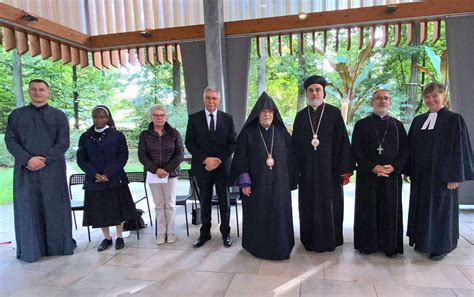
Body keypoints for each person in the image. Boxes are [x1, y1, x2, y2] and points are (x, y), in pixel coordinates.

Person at [5, 79, 76, 262]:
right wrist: (28, 159)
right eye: (34, 89)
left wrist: (44, 159)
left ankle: (58, 246)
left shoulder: (59, 116)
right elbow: (11, 141)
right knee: (29, 208)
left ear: (48, 93)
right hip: (26, 170)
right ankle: (31, 249)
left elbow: (63, 143)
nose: (38, 92)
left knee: (54, 208)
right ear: (29, 92)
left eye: (41, 89)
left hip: (52, 170)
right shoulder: (17, 115)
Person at [406, 82, 473, 261]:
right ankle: (422, 241)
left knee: (440, 211)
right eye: (427, 97)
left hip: (443, 177)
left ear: (444, 96)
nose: (431, 100)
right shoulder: (419, 120)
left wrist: (454, 175)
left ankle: (441, 246)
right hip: (421, 177)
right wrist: (408, 170)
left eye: (435, 96)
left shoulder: (454, 119)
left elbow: (459, 149)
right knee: (422, 208)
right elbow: (411, 148)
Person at [229, 92, 296, 260]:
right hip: (257, 185)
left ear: (274, 113)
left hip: (279, 185)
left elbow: (292, 158)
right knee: (258, 215)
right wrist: (244, 183)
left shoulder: (281, 132)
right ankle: (257, 247)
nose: (267, 114)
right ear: (257, 113)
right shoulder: (247, 133)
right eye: (264, 111)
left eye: (270, 111)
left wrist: (292, 180)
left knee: (279, 215)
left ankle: (282, 247)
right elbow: (241, 159)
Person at [292, 75, 354, 252]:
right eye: (310, 90)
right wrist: (296, 171)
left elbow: (342, 142)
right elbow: (295, 146)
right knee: (308, 206)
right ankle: (309, 241)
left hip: (330, 172)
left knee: (330, 206)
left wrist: (343, 169)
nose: (314, 93)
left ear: (323, 92)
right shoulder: (301, 117)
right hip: (307, 173)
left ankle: (331, 240)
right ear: (307, 93)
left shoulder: (334, 113)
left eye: (317, 89)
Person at [351, 90, 409, 258]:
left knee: (390, 211)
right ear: (372, 103)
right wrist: (372, 167)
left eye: (385, 98)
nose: (382, 101)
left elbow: (405, 150)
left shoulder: (397, 126)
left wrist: (394, 167)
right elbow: (356, 150)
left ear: (390, 102)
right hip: (368, 176)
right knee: (367, 210)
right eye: (378, 98)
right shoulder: (361, 125)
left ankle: (390, 246)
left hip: (391, 176)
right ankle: (367, 245)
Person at [76, 105, 136, 252]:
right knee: (100, 209)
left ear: (108, 118)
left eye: (102, 116)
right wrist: (94, 173)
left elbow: (122, 157)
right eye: (96, 116)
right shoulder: (85, 137)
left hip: (115, 178)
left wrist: (107, 174)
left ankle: (119, 236)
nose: (99, 119)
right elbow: (81, 159)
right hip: (94, 180)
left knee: (117, 208)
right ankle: (107, 237)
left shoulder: (117, 135)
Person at [185, 86, 237, 248]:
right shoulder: (194, 118)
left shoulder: (228, 119)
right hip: (203, 167)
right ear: (204, 99)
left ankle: (226, 233)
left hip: (222, 168)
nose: (211, 101)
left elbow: (232, 143)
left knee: (224, 202)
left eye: (214, 98)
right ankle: (204, 234)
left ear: (218, 100)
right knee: (205, 201)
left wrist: (218, 160)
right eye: (208, 98)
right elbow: (189, 142)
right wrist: (205, 159)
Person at [138, 105, 184, 245]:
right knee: (159, 205)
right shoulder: (145, 135)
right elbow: (142, 155)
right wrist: (155, 169)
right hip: (153, 175)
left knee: (169, 204)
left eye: (162, 115)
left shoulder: (174, 133)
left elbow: (180, 153)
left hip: (171, 174)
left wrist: (167, 169)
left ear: (166, 116)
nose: (159, 117)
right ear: (151, 117)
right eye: (156, 115)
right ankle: (161, 233)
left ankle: (170, 233)